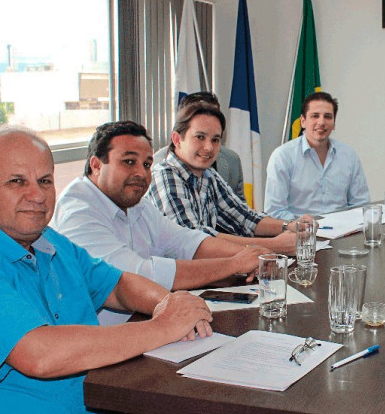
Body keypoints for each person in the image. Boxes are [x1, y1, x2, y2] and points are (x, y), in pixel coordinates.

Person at [0, 126, 243, 414]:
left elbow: (117, 284)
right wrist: (164, 327)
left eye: (44, 181)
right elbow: (39, 354)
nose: (37, 195)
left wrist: (167, 303)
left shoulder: (48, 240)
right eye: (17, 181)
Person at [53, 120, 272, 325]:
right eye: (129, 162)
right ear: (96, 165)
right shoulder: (78, 214)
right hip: (99, 347)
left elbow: (187, 242)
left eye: (147, 164)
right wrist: (234, 264)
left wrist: (251, 257)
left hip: (142, 326)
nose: (141, 173)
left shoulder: (135, 203)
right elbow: (137, 277)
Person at [148, 101, 312, 241]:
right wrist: (275, 245)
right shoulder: (165, 175)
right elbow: (194, 240)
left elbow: (245, 218)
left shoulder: (208, 175)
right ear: (177, 140)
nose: (209, 147)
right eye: (200, 137)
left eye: (215, 140)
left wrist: (289, 226)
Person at [265, 91, 369, 219]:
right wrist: (303, 227)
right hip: (298, 234)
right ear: (303, 121)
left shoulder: (349, 155)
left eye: (328, 117)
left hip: (343, 232)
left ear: (334, 123)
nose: (321, 122)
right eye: (315, 116)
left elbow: (360, 205)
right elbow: (275, 211)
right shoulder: (282, 156)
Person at [153, 91, 246, 200]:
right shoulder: (160, 167)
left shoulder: (228, 162)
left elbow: (240, 211)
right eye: (200, 137)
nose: (209, 147)